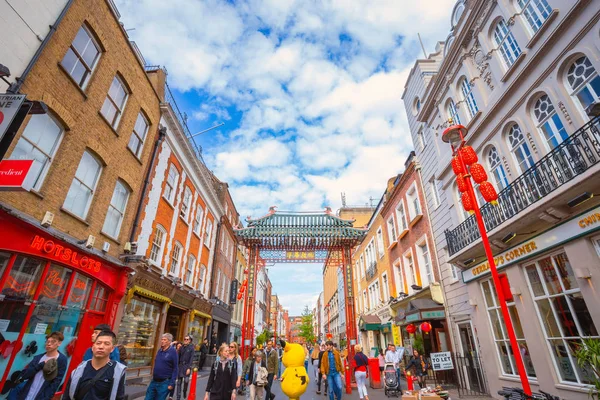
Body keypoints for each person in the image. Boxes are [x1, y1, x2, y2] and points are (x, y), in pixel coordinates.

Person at [63, 331, 126, 400]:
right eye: (98, 343)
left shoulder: (117, 371)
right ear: (93, 347)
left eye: (106, 344)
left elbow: (119, 397)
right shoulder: (79, 369)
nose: (101, 347)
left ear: (112, 349)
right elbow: (67, 396)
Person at [12, 331, 67, 400]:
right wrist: (41, 365)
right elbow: (25, 375)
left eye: (53, 342)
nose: (49, 344)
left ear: (59, 343)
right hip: (26, 394)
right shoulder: (38, 358)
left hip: (41, 396)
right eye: (47, 341)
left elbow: (56, 381)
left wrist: (46, 397)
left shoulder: (61, 360)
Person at [145, 333, 178, 400]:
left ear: (169, 341)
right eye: (162, 339)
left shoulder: (173, 352)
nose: (162, 341)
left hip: (164, 383)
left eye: (164, 340)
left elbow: (175, 368)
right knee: (147, 398)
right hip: (154, 381)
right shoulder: (159, 350)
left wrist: (172, 383)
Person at [175, 336, 194, 400]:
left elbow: (191, 359)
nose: (185, 340)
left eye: (187, 339)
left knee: (186, 381)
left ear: (189, 341)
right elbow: (178, 357)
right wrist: (176, 367)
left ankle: (184, 391)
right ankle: (178, 397)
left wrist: (189, 368)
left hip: (186, 366)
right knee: (179, 382)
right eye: (185, 339)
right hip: (180, 366)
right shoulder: (181, 348)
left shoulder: (191, 348)